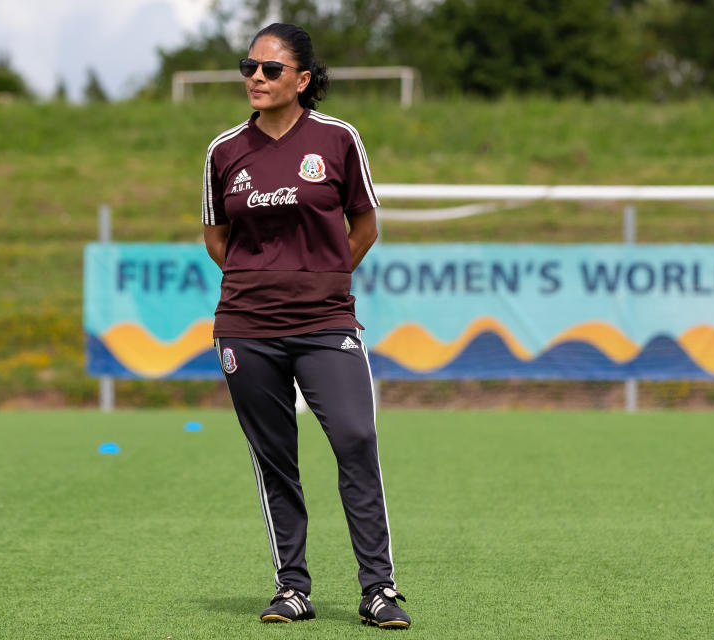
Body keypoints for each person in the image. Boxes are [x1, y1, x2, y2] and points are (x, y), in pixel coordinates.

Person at [200, 23, 411, 629]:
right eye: (249, 68)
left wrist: (319, 279)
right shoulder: (223, 152)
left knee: (355, 439)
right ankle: (292, 588)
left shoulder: (339, 140)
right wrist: (259, 285)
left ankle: (379, 590)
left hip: (325, 323)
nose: (255, 78)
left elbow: (365, 227)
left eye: (269, 69)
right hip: (246, 328)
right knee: (275, 458)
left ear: (303, 79)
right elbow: (217, 240)